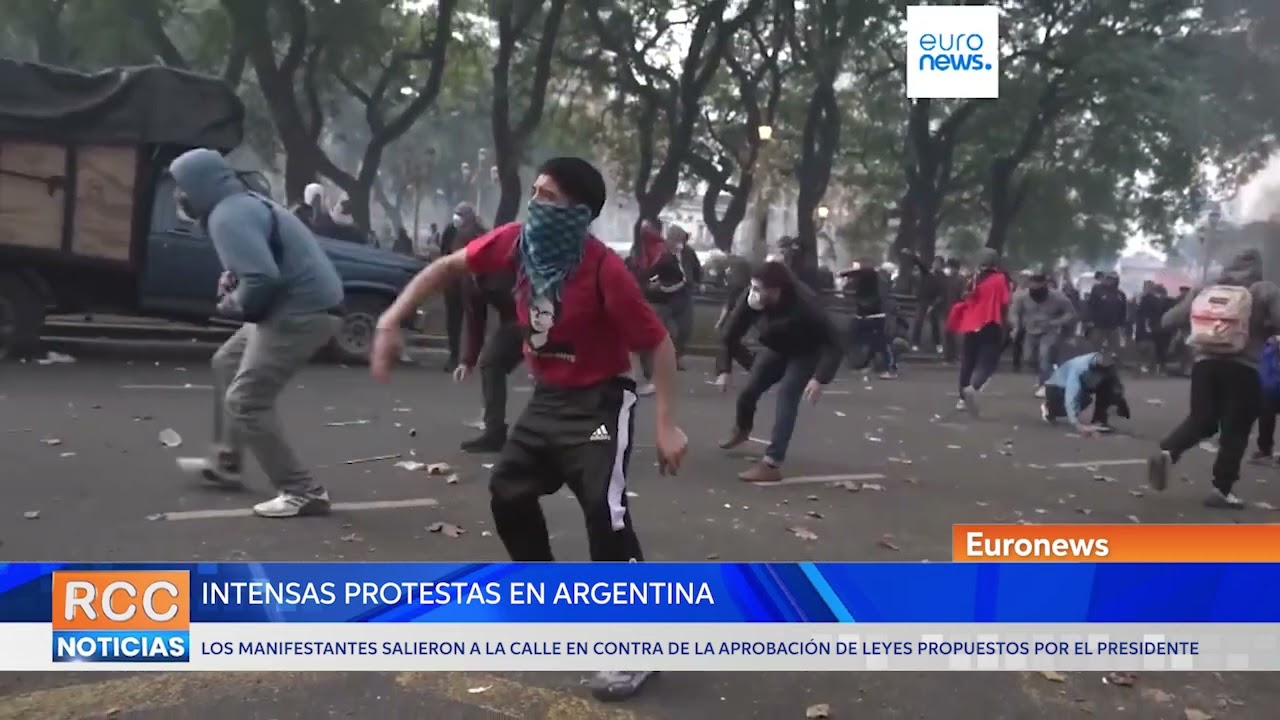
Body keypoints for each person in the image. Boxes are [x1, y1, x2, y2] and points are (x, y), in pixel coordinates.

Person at [369, 157, 687, 702]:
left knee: (603, 512)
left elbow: (657, 343)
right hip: (548, 399)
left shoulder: (603, 268)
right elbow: (445, 268)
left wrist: (667, 424)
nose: (535, 205)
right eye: (534, 192)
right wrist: (389, 319)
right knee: (507, 492)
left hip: (600, 403)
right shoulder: (515, 243)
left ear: (578, 214)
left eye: (549, 198)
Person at [169, 149, 344, 518]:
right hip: (299, 306)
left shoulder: (228, 216)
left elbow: (262, 278)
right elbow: (261, 265)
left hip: (300, 313)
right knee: (226, 361)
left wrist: (232, 302)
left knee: (247, 401)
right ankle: (227, 462)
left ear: (201, 185)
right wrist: (238, 279)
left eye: (182, 187)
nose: (178, 196)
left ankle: (303, 491)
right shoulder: (243, 205)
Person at [1147, 249, 1280, 508]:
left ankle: (1168, 451)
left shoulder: (1207, 289)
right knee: (1236, 430)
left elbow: (1168, 320)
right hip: (1244, 368)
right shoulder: (1264, 290)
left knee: (1203, 419)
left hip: (1204, 364)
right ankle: (1222, 489)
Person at [715, 261, 843, 482]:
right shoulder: (752, 299)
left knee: (786, 395)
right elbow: (730, 334)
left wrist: (819, 378)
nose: (753, 293)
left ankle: (772, 463)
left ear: (775, 290)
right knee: (749, 391)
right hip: (777, 348)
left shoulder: (806, 305)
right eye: (752, 287)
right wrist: (724, 369)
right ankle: (742, 429)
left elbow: (835, 343)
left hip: (806, 352)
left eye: (758, 289)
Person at [454, 256, 521, 453]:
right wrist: (467, 360)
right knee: (490, 362)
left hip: (546, 311)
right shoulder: (468, 282)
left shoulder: (507, 262)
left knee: (552, 372)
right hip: (514, 320)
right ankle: (495, 433)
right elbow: (475, 320)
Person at [947, 248, 1011, 416]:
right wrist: (1006, 323)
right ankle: (973, 387)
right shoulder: (1000, 279)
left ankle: (961, 399)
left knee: (968, 360)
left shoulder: (973, 278)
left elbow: (965, 297)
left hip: (971, 324)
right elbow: (1005, 302)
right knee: (988, 361)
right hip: (991, 322)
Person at [634, 218, 687, 392]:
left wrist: (661, 286)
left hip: (659, 303)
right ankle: (655, 377)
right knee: (652, 340)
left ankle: (656, 378)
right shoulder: (649, 252)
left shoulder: (664, 255)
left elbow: (680, 278)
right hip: (650, 300)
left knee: (653, 340)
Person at [1009, 272, 1076, 396]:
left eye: (1039, 284)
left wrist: (1056, 322)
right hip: (1030, 331)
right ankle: (1046, 375)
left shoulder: (1058, 297)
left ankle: (1047, 384)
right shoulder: (1022, 297)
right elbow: (1014, 312)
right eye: (1033, 284)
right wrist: (1016, 326)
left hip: (1049, 331)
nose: (1036, 288)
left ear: (1045, 284)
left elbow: (1070, 313)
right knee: (1029, 358)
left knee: (1044, 356)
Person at [438, 203, 487, 371]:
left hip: (473, 284)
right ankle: (454, 356)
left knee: (474, 320)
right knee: (453, 321)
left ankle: (470, 357)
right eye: (456, 213)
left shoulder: (479, 232)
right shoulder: (450, 231)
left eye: (461, 214)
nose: (457, 218)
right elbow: (444, 252)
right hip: (453, 282)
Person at [1041, 351, 1130, 433]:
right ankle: (1049, 408)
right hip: (1057, 387)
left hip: (1084, 385)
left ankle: (1099, 420)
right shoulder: (1079, 367)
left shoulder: (1108, 367)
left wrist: (1119, 402)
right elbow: (1071, 396)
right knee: (1078, 404)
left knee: (1106, 386)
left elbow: (1117, 387)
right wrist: (1076, 424)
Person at [840, 260, 897, 378]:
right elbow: (845, 274)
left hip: (875, 316)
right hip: (864, 316)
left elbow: (881, 301)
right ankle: (865, 365)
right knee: (863, 340)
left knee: (880, 343)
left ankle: (891, 369)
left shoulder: (876, 281)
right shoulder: (870, 280)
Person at [670, 224, 702, 366]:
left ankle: (677, 356)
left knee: (686, 328)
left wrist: (698, 282)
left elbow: (697, 269)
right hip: (667, 294)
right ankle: (667, 358)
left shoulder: (688, 252)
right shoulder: (663, 252)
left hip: (685, 293)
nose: (680, 243)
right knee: (668, 330)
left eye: (682, 239)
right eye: (677, 239)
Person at [903, 250, 945, 354]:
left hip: (933, 302)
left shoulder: (942, 277)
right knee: (918, 322)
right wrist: (911, 254)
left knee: (935, 324)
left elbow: (942, 293)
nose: (936, 265)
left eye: (938, 263)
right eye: (935, 262)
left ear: (941, 265)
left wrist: (933, 305)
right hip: (922, 301)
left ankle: (938, 344)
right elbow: (919, 263)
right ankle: (915, 343)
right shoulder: (927, 272)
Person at [1086, 272, 1127, 354]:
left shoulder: (1120, 294)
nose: (1110, 281)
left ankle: (1110, 363)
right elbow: (1091, 305)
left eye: (1113, 279)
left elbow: (1123, 310)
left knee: (1115, 348)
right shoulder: (1097, 289)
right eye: (1109, 278)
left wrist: (1122, 325)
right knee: (1094, 347)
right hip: (1099, 325)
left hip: (1114, 326)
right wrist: (1089, 320)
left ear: (1116, 281)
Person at [940, 258, 965, 362]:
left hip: (956, 308)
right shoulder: (948, 279)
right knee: (948, 332)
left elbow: (963, 295)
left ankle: (956, 355)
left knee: (955, 333)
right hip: (948, 308)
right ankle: (949, 355)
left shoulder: (960, 279)